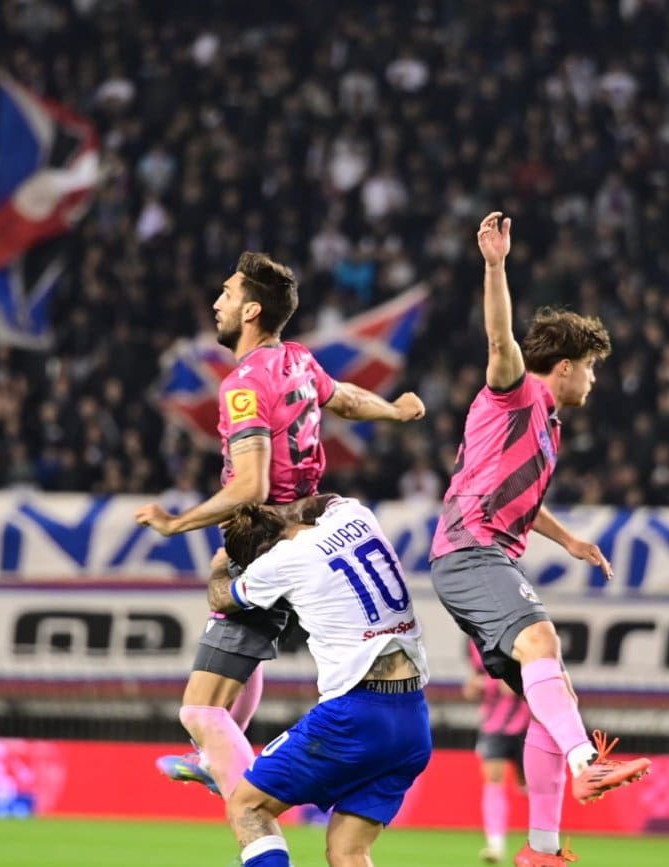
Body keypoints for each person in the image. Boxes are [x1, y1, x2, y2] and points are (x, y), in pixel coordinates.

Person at [134, 251, 425, 799]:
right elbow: (345, 400)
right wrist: (392, 410)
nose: (217, 302)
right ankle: (219, 755)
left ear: (251, 311)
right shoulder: (297, 360)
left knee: (200, 708)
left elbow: (251, 485)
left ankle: (246, 803)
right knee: (239, 634)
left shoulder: (243, 386)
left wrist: (176, 524)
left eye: (227, 294)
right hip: (302, 532)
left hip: (267, 540)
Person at [430, 212, 651, 867]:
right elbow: (500, 338)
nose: (593, 381)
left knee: (554, 701)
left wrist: (569, 539)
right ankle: (587, 763)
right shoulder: (517, 391)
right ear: (565, 366)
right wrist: (495, 266)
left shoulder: (547, 425)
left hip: (486, 554)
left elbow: (518, 496)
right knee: (542, 642)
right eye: (591, 369)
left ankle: (542, 850)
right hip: (469, 552)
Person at [209, 495, 432, 867]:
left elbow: (221, 600)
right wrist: (281, 511)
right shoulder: (353, 515)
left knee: (247, 806)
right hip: (412, 720)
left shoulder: (279, 561)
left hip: (355, 715)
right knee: (348, 851)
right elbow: (325, 500)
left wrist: (219, 567)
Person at [465, 640, 530, 864]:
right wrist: (475, 687)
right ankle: (495, 845)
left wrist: (503, 683)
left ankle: (543, 839)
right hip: (494, 725)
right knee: (493, 779)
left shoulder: (523, 636)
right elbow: (475, 681)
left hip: (529, 726)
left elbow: (516, 686)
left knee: (530, 786)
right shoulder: (475, 643)